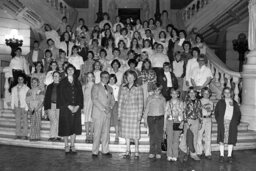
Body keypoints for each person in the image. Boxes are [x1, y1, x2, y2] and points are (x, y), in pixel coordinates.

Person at [57, 64, 83, 154]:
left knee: (74, 126)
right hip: (65, 108)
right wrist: (69, 106)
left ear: (74, 71)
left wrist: (78, 106)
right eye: (69, 69)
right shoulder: (62, 82)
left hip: (76, 108)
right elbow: (61, 96)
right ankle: (66, 145)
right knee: (65, 126)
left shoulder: (77, 82)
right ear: (66, 71)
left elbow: (80, 95)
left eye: (72, 69)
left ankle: (72, 145)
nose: (70, 70)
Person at [118, 70, 144, 159]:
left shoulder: (138, 87)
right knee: (126, 133)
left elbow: (141, 102)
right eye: (128, 77)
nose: (130, 78)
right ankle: (127, 150)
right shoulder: (123, 87)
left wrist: (139, 115)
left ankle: (136, 151)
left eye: (131, 77)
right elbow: (120, 101)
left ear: (134, 77)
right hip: (125, 113)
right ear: (126, 78)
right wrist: (119, 114)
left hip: (134, 113)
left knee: (135, 133)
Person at [91, 71, 115, 157]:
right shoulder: (96, 86)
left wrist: (110, 107)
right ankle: (95, 151)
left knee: (106, 133)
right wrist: (104, 108)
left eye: (107, 77)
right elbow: (94, 99)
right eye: (104, 77)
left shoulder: (110, 88)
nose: (105, 78)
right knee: (97, 133)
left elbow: (112, 100)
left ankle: (105, 150)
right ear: (100, 77)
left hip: (107, 113)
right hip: (98, 113)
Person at [215, 87, 241, 163]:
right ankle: (221, 155)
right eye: (225, 92)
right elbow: (216, 113)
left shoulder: (234, 103)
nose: (227, 94)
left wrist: (236, 122)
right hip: (223, 123)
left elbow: (238, 114)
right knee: (221, 139)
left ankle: (229, 156)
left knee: (231, 139)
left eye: (228, 92)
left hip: (232, 123)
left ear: (231, 93)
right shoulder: (220, 102)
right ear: (223, 93)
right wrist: (219, 121)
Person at [144, 83, 166, 159]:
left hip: (160, 118)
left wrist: (165, 123)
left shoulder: (163, 99)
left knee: (159, 136)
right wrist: (145, 120)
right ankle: (152, 151)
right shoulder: (149, 98)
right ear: (153, 90)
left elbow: (165, 111)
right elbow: (146, 109)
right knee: (152, 135)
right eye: (155, 90)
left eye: (158, 90)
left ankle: (158, 152)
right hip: (151, 118)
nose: (157, 91)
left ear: (160, 90)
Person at [180, 87, 202, 161]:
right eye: (190, 92)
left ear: (196, 93)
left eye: (193, 92)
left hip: (196, 121)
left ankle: (193, 154)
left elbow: (199, 112)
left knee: (195, 137)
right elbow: (184, 112)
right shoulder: (185, 101)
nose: (192, 94)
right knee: (186, 137)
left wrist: (200, 122)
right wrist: (185, 122)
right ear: (188, 93)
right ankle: (185, 153)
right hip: (188, 121)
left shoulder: (198, 101)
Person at [164, 88, 184, 161]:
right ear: (170, 94)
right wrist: (164, 124)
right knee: (169, 139)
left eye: (176, 93)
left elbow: (182, 113)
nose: (174, 95)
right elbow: (165, 113)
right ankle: (169, 154)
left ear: (178, 94)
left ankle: (175, 155)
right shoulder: (168, 102)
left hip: (177, 121)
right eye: (173, 93)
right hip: (169, 121)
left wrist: (182, 122)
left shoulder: (181, 102)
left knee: (176, 139)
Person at [11, 74, 30, 139]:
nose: (20, 80)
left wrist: (27, 108)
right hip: (17, 106)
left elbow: (28, 99)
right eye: (19, 79)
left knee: (25, 120)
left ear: (23, 80)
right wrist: (12, 107)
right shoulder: (14, 88)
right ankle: (18, 134)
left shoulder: (27, 88)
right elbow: (12, 98)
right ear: (17, 80)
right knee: (17, 120)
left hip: (24, 106)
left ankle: (25, 134)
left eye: (21, 79)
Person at [44, 71, 61, 141]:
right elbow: (46, 97)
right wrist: (45, 108)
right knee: (53, 120)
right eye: (54, 76)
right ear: (53, 77)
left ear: (60, 77)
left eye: (57, 76)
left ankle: (57, 136)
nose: (55, 77)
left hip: (59, 105)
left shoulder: (63, 86)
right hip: (51, 104)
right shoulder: (49, 86)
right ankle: (53, 135)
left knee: (58, 120)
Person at [197, 87, 213, 160]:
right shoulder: (199, 101)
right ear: (202, 93)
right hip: (201, 119)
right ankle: (199, 151)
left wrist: (205, 107)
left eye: (207, 93)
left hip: (208, 119)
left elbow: (210, 110)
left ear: (209, 94)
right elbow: (197, 111)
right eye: (205, 93)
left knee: (208, 136)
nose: (206, 94)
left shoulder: (211, 102)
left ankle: (207, 153)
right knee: (199, 135)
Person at [83, 72, 95, 143]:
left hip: (93, 104)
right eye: (88, 77)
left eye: (91, 76)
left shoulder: (96, 86)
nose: (90, 78)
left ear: (93, 77)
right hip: (86, 104)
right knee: (87, 120)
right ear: (87, 78)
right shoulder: (84, 86)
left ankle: (91, 135)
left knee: (92, 120)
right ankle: (87, 134)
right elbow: (82, 97)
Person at [108, 74, 120, 143]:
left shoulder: (117, 87)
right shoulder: (106, 86)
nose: (112, 80)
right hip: (108, 104)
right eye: (110, 79)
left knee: (115, 119)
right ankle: (107, 135)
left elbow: (118, 97)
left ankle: (117, 135)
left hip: (115, 103)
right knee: (107, 119)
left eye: (113, 79)